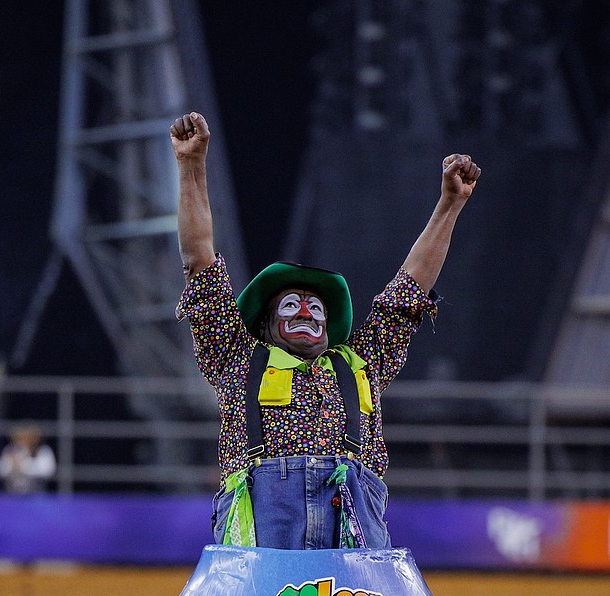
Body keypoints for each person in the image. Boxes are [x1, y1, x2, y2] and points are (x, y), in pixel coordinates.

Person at [171, 111, 480, 550]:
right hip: (262, 516)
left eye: (315, 306)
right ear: (264, 323)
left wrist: (450, 205)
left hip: (353, 507)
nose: (307, 312)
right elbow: (199, 260)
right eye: (292, 304)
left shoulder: (360, 363)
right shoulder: (237, 356)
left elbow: (410, 288)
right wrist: (191, 166)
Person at [0, 425, 57, 494]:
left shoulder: (43, 451)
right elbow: (0, 470)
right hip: (12, 495)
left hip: (37, 495)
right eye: (20, 438)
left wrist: (23, 466)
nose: (24, 441)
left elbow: (47, 471)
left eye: (28, 438)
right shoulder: (9, 450)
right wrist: (10, 466)